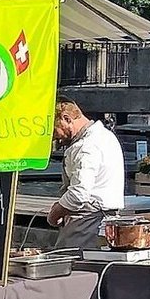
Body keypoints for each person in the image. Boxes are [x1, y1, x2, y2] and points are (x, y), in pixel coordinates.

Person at [47, 99, 124, 249]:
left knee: (72, 262)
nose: (54, 136)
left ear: (66, 119)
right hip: (99, 218)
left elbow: (79, 194)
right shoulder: (104, 136)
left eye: (54, 129)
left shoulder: (87, 147)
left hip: (88, 222)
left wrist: (55, 213)